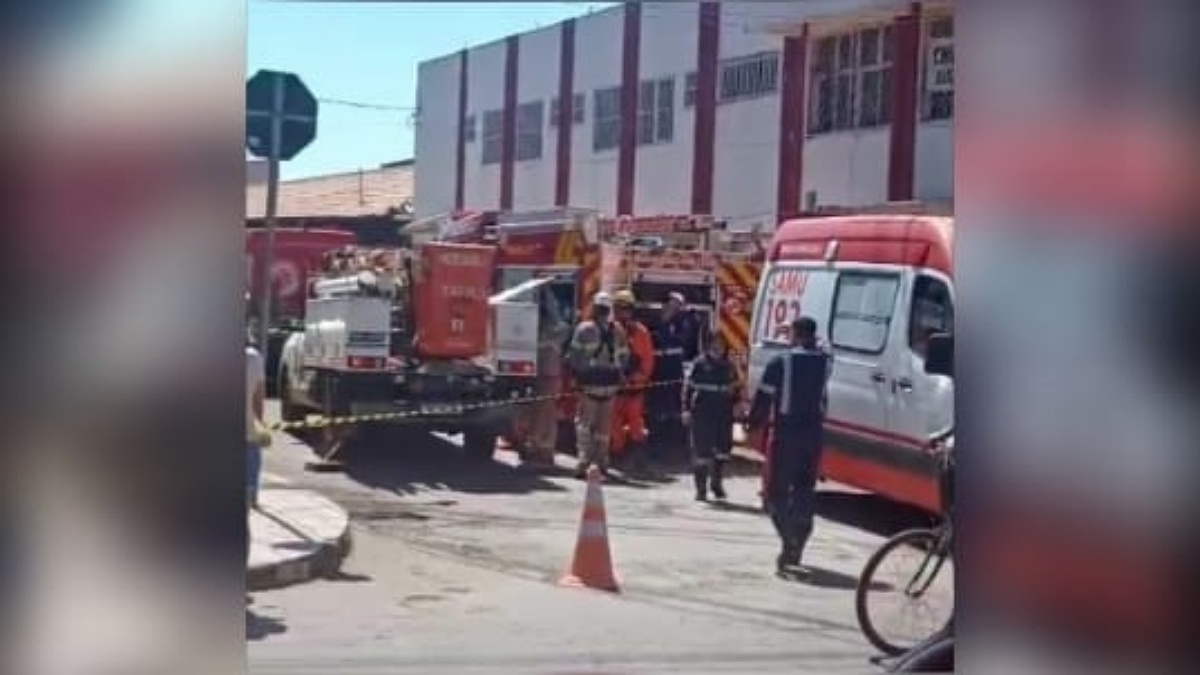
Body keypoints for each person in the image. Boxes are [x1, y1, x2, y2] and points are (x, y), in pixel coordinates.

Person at [746, 316, 832, 574]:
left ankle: (788, 540)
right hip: (813, 435)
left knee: (776, 493)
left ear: (794, 333)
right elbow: (826, 348)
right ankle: (798, 545)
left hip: (786, 435)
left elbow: (763, 399)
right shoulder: (825, 362)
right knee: (805, 490)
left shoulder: (780, 362)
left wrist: (753, 425)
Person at [567, 291, 629, 479]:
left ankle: (583, 462)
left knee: (585, 426)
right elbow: (625, 358)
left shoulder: (584, 329)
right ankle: (602, 463)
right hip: (610, 387)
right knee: (603, 429)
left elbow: (574, 358)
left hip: (590, 386)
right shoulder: (618, 330)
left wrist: (576, 375)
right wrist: (617, 372)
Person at [683, 333, 739, 501]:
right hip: (702, 412)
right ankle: (701, 490)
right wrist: (685, 409)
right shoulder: (699, 364)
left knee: (722, 450)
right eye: (715, 344)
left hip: (723, 412)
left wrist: (738, 404)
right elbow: (687, 389)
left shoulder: (730, 366)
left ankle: (716, 484)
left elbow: (736, 388)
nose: (718, 348)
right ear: (708, 346)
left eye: (721, 345)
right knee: (702, 451)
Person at [520, 290, 571, 468]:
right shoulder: (555, 329)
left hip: (546, 376)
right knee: (544, 414)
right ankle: (541, 449)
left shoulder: (551, 330)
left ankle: (539, 451)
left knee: (542, 415)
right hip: (546, 375)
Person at [609, 289, 655, 474]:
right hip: (614, 388)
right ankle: (616, 456)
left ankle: (638, 459)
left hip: (634, 389)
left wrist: (637, 379)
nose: (622, 312)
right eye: (619, 308)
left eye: (626, 308)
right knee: (613, 425)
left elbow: (648, 360)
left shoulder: (641, 332)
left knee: (637, 425)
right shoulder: (609, 329)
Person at [648, 291, 698, 452]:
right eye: (672, 304)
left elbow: (684, 338)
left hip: (674, 368)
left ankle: (675, 440)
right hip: (658, 367)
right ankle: (656, 438)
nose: (674, 308)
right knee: (657, 403)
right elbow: (651, 338)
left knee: (675, 402)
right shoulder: (655, 322)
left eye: (678, 305)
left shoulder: (683, 322)